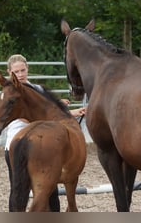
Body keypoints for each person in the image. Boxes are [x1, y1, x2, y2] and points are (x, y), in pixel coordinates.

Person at [5, 54, 86, 212]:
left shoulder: (38, 90)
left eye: (23, 70)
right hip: (16, 143)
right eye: (16, 72)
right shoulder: (10, 93)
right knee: (17, 191)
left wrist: (74, 112)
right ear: (9, 72)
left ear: (27, 69)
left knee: (50, 191)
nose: (20, 74)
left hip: (43, 143)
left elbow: (51, 112)